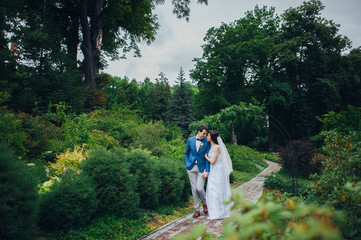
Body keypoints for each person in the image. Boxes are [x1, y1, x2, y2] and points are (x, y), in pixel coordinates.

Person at [204, 130, 233, 220]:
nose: (207, 137)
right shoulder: (211, 146)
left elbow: (213, 161)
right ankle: (215, 211)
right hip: (214, 171)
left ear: (212, 138)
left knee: (217, 191)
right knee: (213, 191)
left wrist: (206, 157)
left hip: (218, 171)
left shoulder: (217, 147)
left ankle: (219, 212)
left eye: (208, 136)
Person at [184, 124, 211, 218]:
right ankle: (196, 210)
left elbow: (208, 157)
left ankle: (204, 204)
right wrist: (187, 164)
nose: (204, 135)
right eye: (203, 133)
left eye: (205, 134)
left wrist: (207, 170)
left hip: (201, 168)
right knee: (194, 189)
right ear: (199, 132)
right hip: (191, 168)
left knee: (199, 188)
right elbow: (186, 153)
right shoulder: (190, 140)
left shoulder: (206, 142)